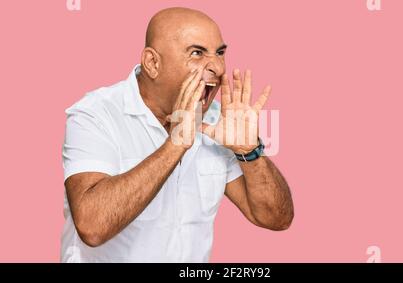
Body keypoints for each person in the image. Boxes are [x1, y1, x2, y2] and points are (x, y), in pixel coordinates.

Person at [61, 7, 294, 263]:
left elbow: (276, 219)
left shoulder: (218, 120)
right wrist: (176, 143)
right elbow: (92, 227)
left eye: (220, 53)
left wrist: (250, 151)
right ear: (153, 63)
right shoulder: (96, 113)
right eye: (197, 53)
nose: (217, 67)